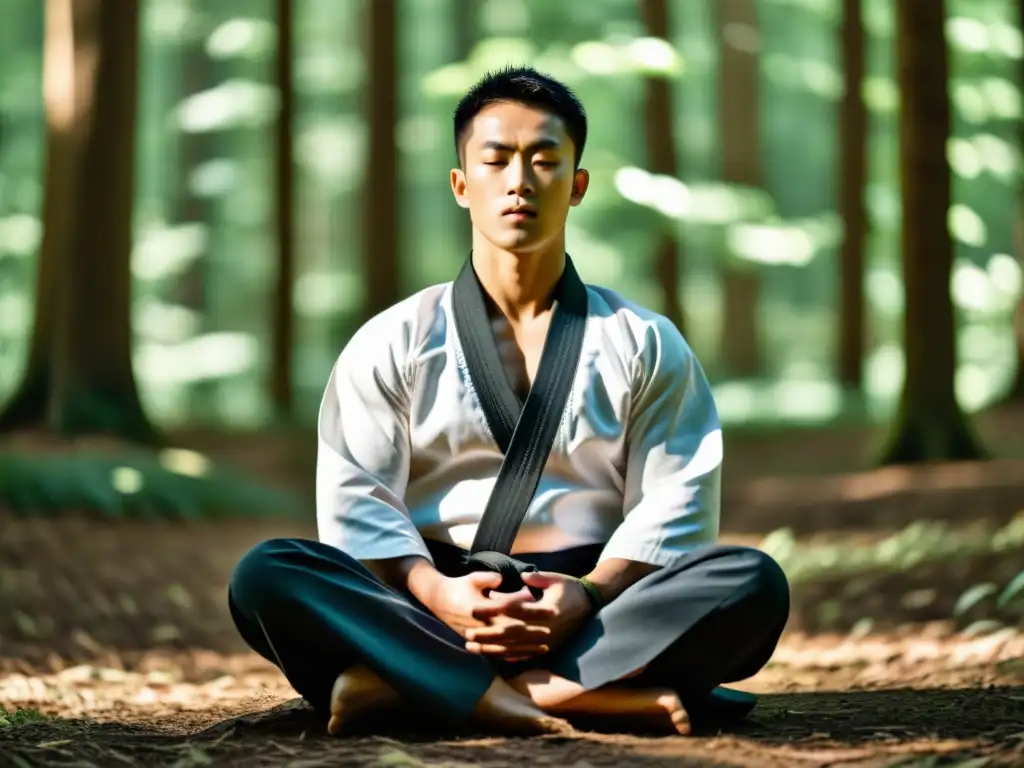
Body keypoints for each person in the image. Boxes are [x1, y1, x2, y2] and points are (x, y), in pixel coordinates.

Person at [227, 65, 790, 737]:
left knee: (751, 580)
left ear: (576, 186)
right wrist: (440, 593)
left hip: (599, 605)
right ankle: (554, 693)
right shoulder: (394, 340)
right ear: (462, 185)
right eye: (495, 160)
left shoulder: (644, 342)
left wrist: (585, 596)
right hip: (428, 605)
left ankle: (424, 687)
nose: (520, 181)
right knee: (268, 574)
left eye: (545, 161)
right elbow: (360, 510)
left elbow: (675, 509)